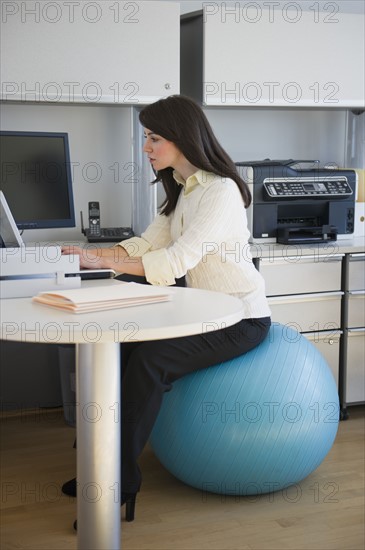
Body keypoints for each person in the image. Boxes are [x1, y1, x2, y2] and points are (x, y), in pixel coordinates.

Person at [61, 94, 271, 524]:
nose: (146, 148)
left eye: (154, 138)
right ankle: (98, 467)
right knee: (118, 348)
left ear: (182, 137)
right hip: (202, 314)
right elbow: (148, 242)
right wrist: (95, 257)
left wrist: (106, 263)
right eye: (146, 138)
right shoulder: (181, 188)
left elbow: (176, 261)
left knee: (150, 361)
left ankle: (118, 485)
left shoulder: (220, 192)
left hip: (240, 320)